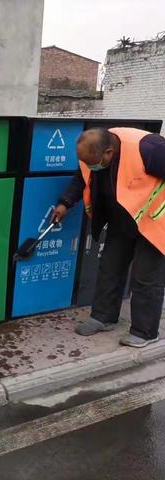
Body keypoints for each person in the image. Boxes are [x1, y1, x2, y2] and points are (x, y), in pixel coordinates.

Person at [52, 127, 165, 347]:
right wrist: (65, 202)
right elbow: (81, 178)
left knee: (146, 277)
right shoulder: (94, 151)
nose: (90, 166)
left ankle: (145, 332)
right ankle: (103, 317)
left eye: (93, 162)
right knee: (110, 267)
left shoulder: (150, 149)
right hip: (122, 219)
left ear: (109, 153)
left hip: (154, 221)